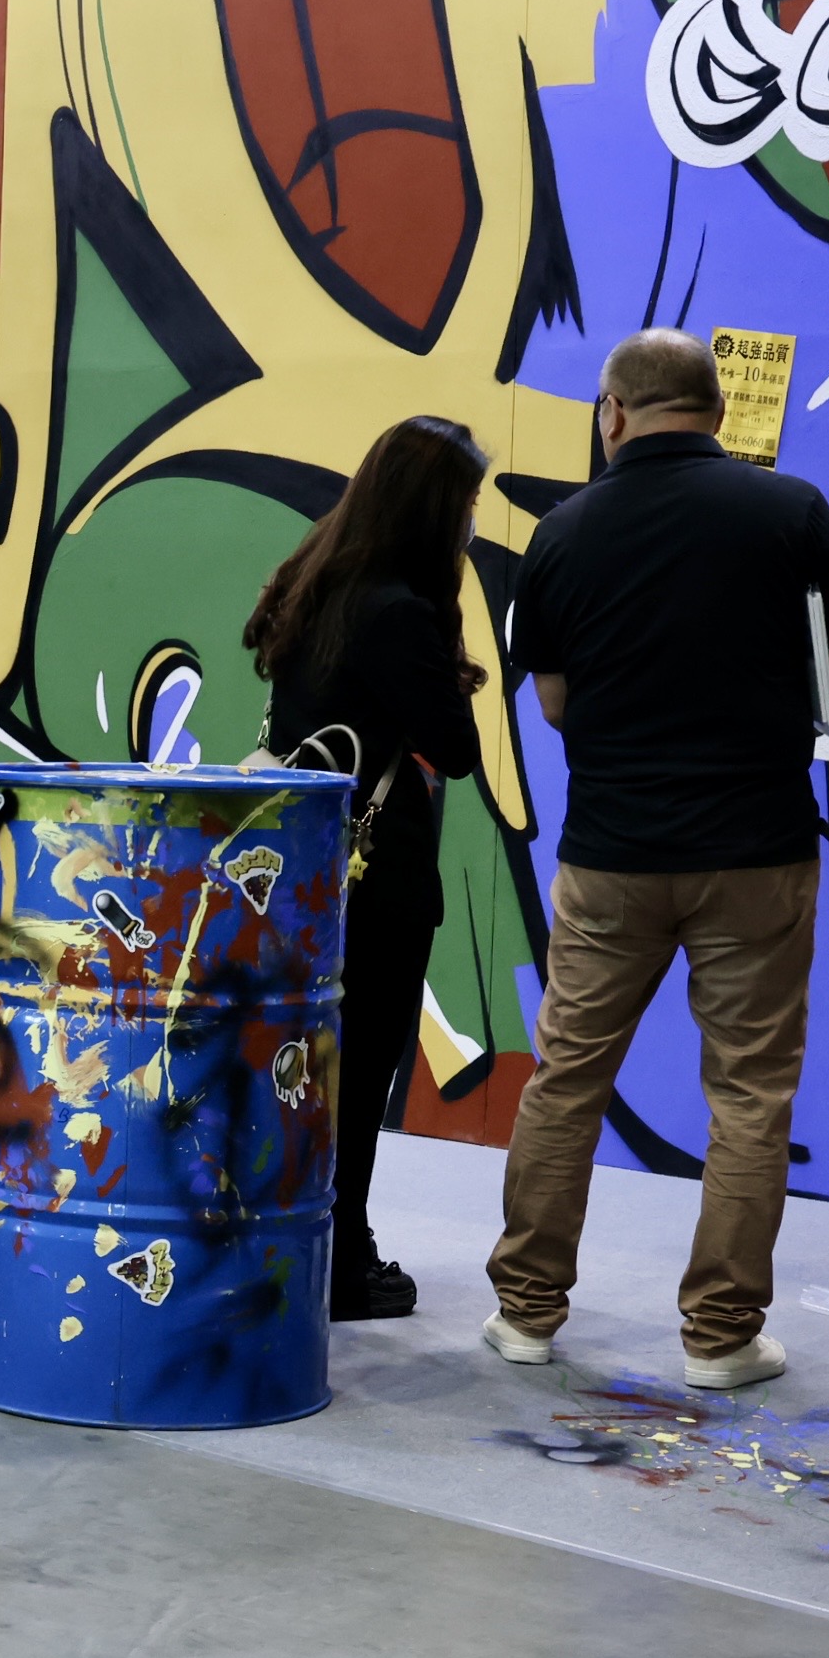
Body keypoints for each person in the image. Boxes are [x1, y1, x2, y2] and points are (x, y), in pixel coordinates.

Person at [483, 329, 829, 1391]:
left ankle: (526, 1314)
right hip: (757, 852)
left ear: (613, 412)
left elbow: (554, 702)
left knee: (568, 1079)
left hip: (612, 855)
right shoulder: (792, 512)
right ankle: (720, 1338)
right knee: (748, 1095)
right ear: (717, 409)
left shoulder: (562, 532)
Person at [244, 415, 493, 1324]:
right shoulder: (400, 610)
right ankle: (342, 1263)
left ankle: (303, 1241)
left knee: (307, 1071)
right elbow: (453, 747)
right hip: (376, 878)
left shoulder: (316, 577)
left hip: (304, 866)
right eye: (466, 503)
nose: (472, 521)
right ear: (435, 510)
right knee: (356, 1077)